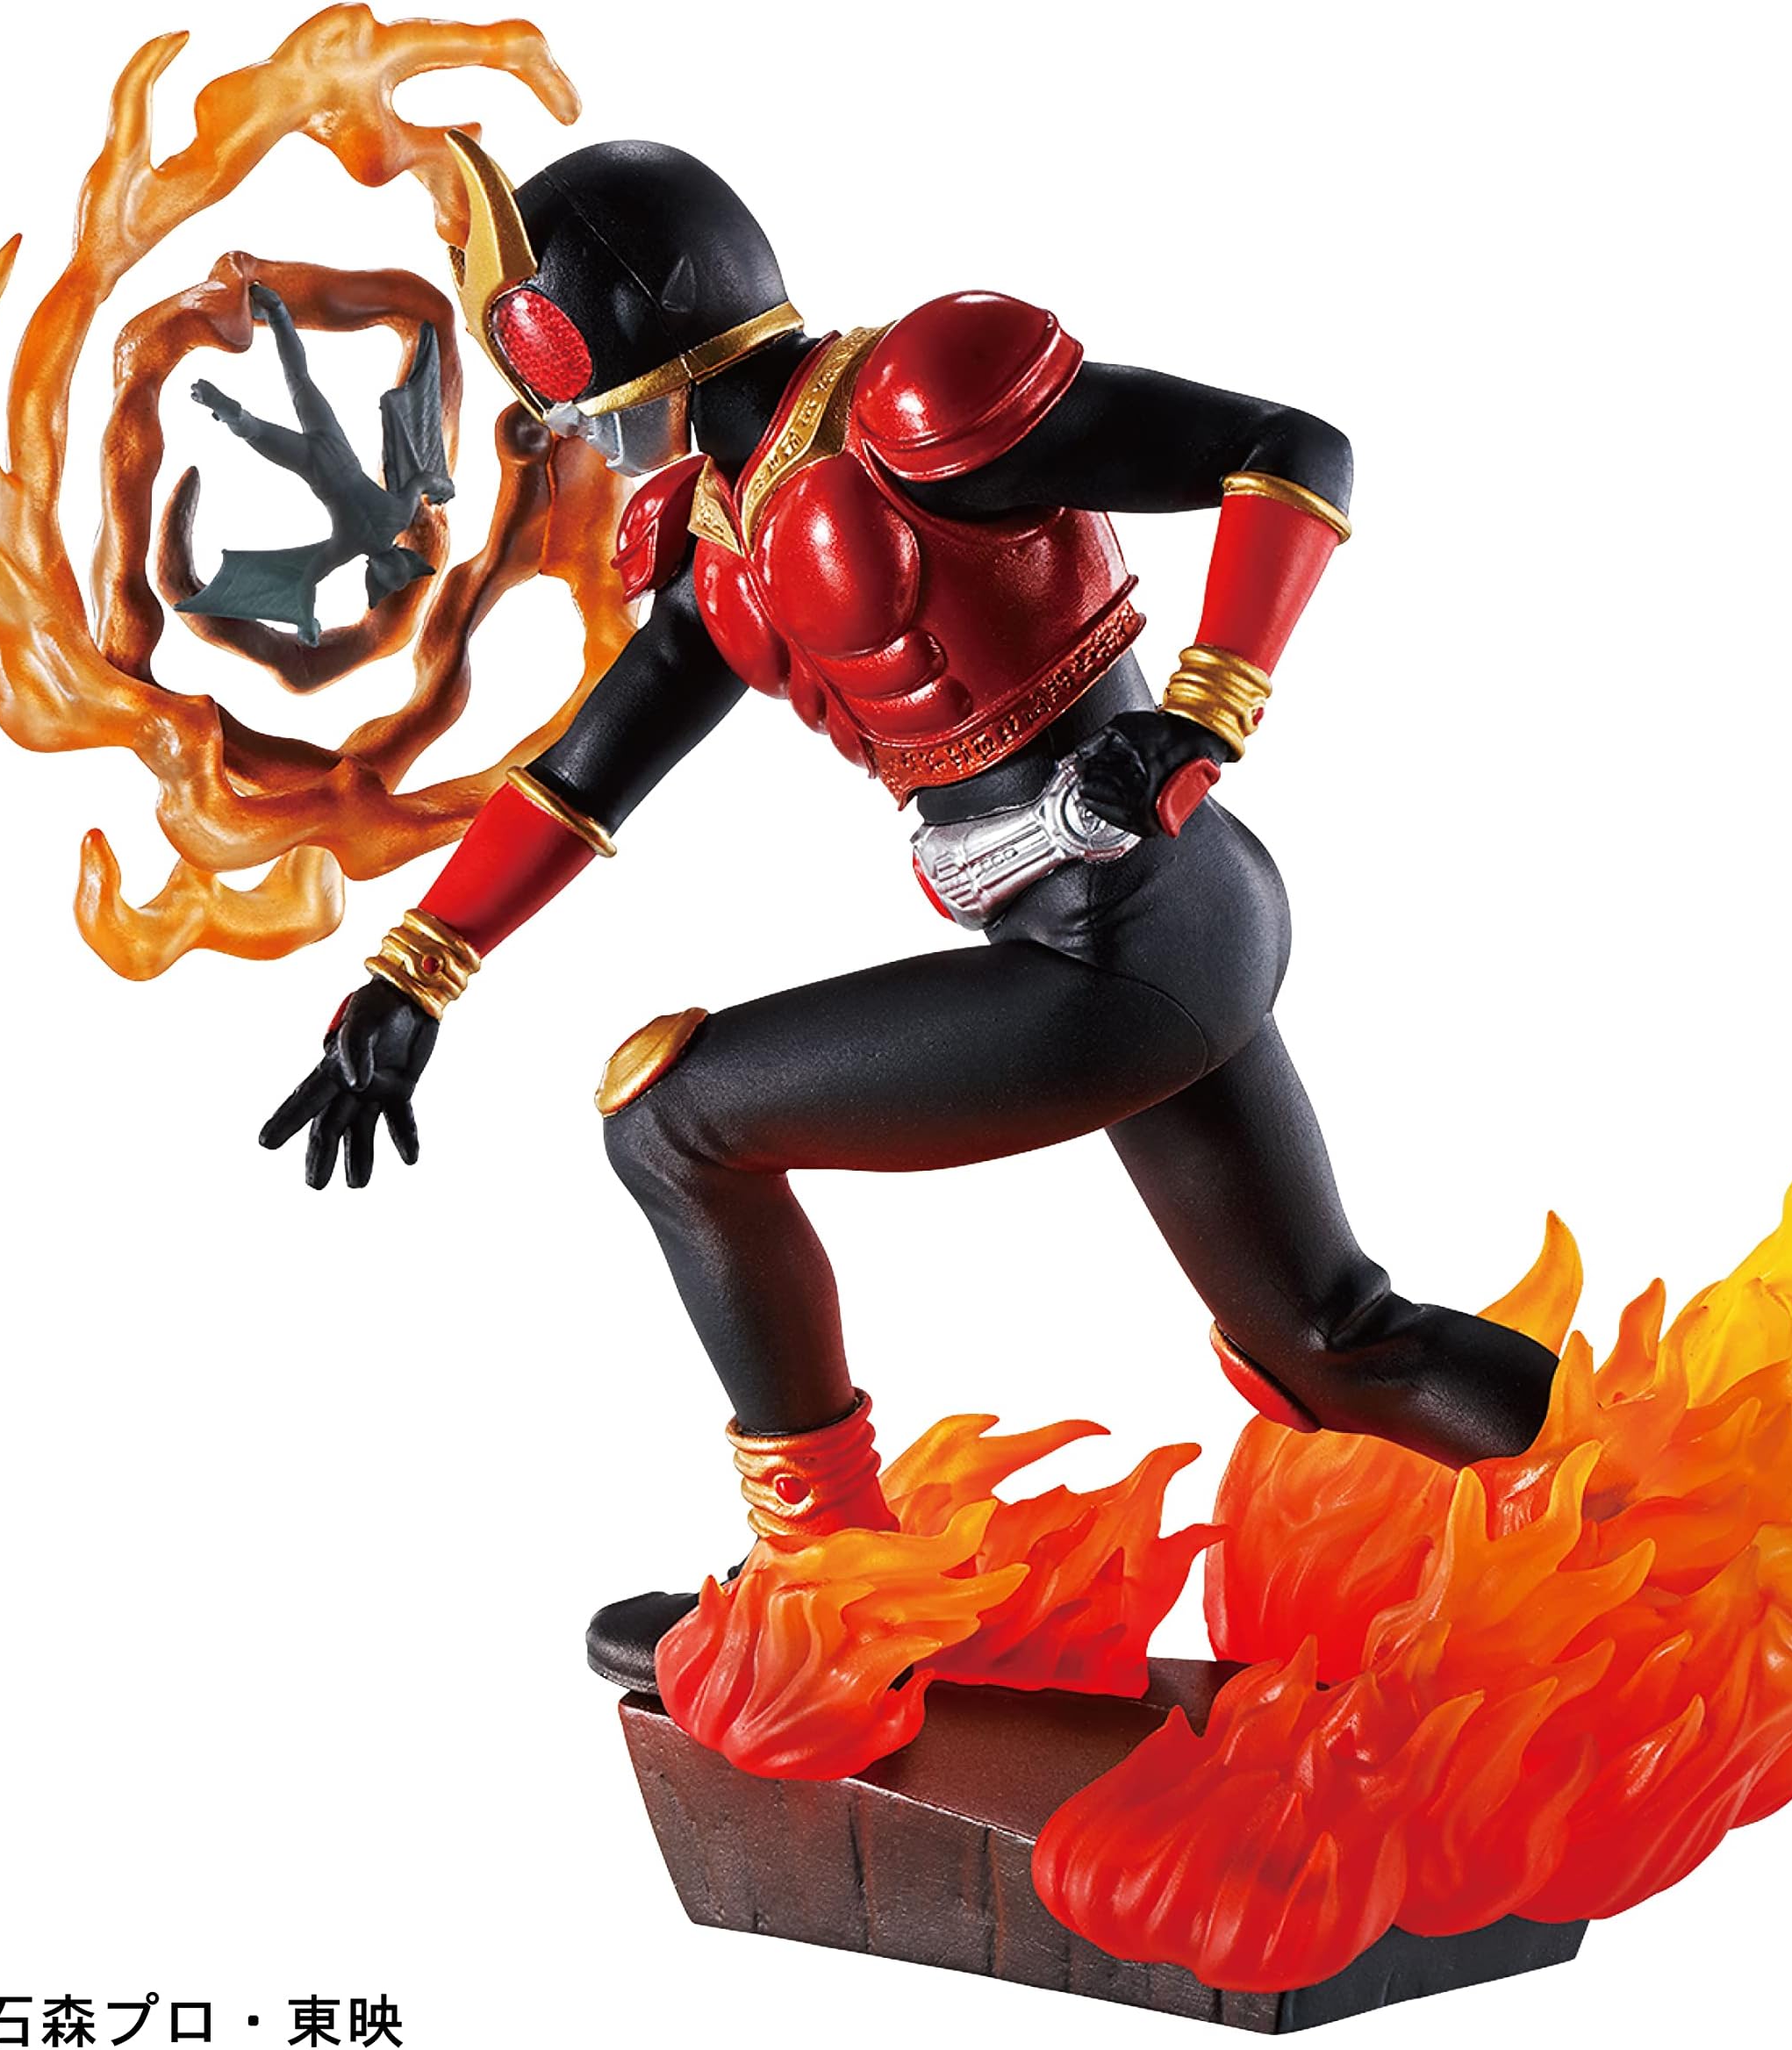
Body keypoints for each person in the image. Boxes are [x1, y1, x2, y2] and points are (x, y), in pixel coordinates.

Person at [262, 135, 1559, 1686]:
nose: (564, 427)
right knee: (1327, 1343)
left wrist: (1206, 711)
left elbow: (1289, 449)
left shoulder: (915, 407)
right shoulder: (723, 537)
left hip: (1127, 933)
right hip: (1136, 929)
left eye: (553, 375)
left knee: (669, 1119)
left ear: (609, 337)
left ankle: (829, 1593)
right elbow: (585, 773)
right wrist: (417, 972)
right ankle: (1657, 1528)